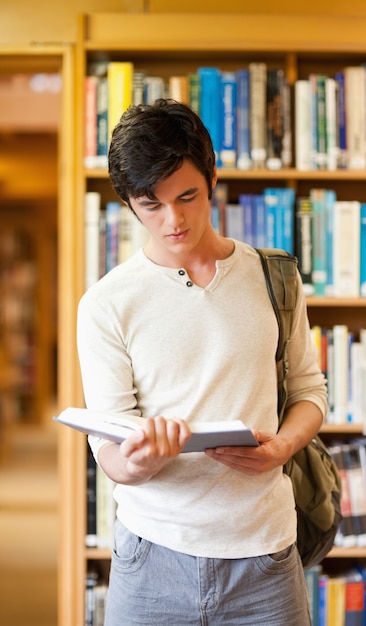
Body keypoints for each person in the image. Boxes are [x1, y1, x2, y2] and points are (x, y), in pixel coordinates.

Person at [77, 98, 328, 626]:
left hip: (265, 557)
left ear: (212, 177)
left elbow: (310, 391)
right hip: (151, 559)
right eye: (151, 204)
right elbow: (110, 449)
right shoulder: (106, 304)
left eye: (187, 196)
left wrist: (282, 446)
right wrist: (142, 461)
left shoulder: (273, 277)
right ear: (128, 202)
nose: (174, 219)